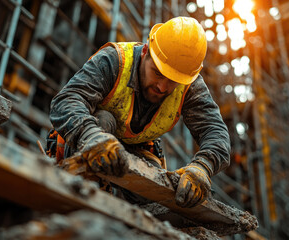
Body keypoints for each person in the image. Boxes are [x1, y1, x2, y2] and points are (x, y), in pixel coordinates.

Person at [48, 16, 230, 208]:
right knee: (104, 119)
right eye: (158, 73)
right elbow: (67, 100)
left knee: (157, 189)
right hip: (90, 137)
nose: (162, 86)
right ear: (145, 51)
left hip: (137, 148)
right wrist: (90, 135)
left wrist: (203, 166)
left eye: (172, 81)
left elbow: (215, 130)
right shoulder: (114, 60)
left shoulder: (189, 86)